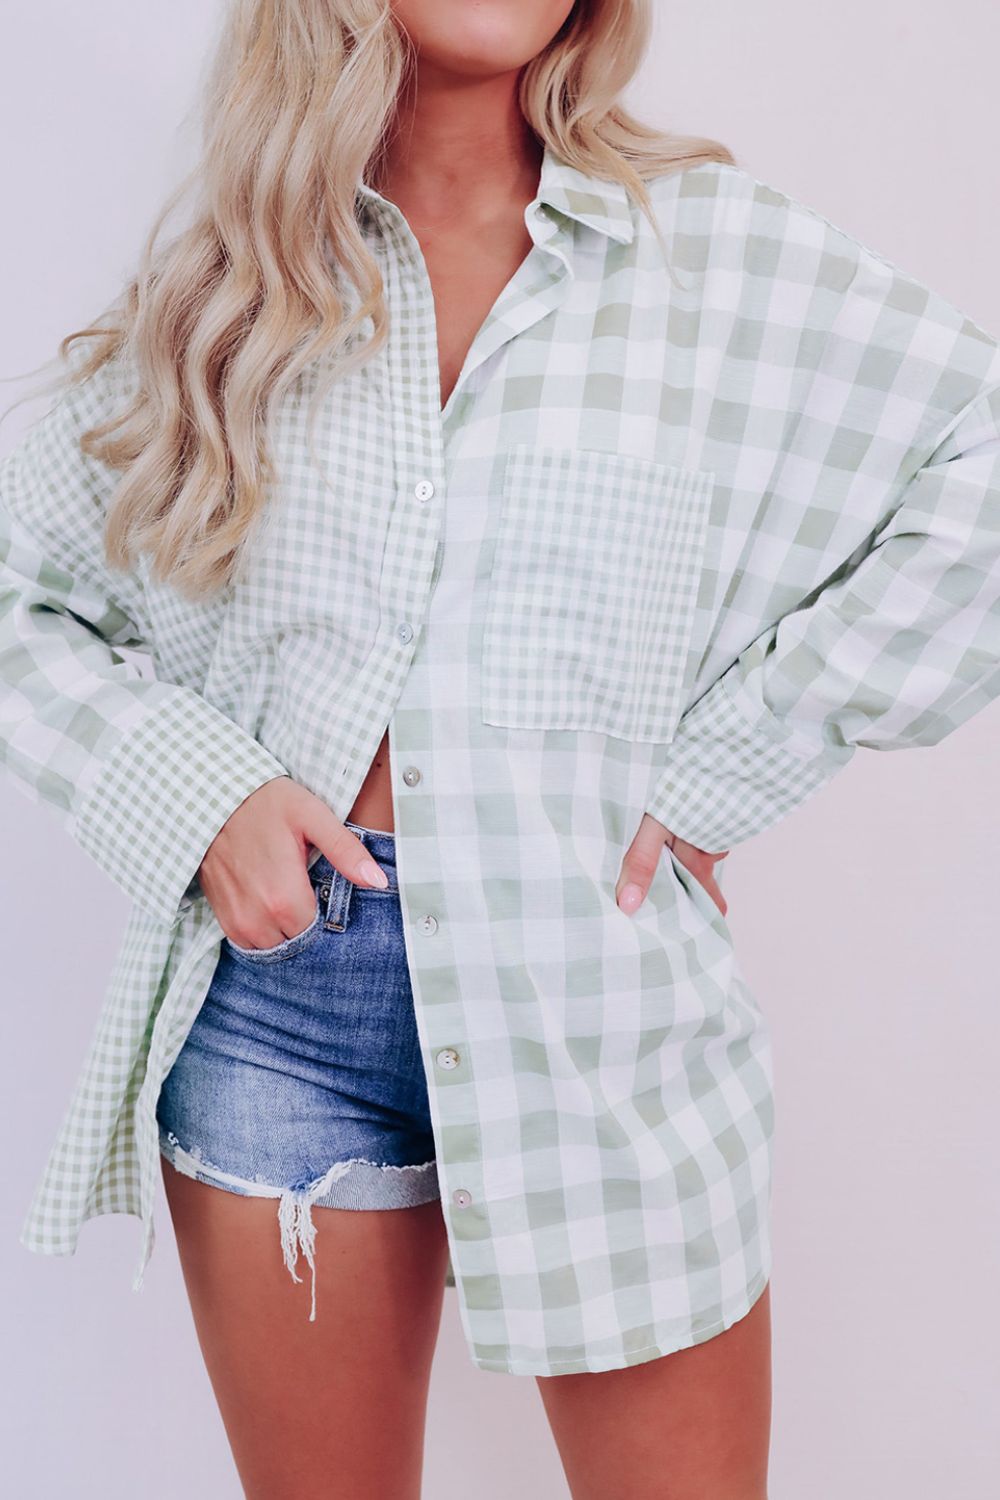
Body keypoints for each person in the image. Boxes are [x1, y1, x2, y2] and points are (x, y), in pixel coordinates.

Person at [4, 2, 999, 1497]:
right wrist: (198, 794)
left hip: (602, 1014)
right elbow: (21, 584)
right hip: (282, 1016)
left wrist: (731, 767)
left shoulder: (708, 259)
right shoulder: (237, 287)